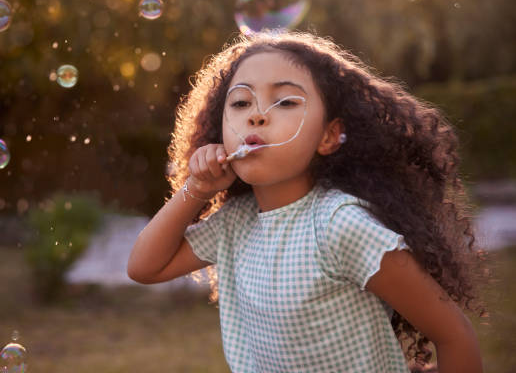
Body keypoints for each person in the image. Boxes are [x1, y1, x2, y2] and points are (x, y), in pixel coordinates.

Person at [127, 31, 487, 372]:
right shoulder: (234, 224)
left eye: (284, 101)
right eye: (240, 102)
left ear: (329, 136)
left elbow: (454, 335)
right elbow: (145, 268)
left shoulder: (339, 225)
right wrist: (197, 189)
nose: (256, 114)